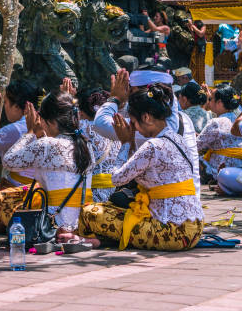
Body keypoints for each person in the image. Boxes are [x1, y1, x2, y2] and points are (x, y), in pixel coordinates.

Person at [78, 84, 204, 251]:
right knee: (112, 208)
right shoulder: (177, 138)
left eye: (133, 121)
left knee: (89, 213)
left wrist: (125, 144)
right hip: (195, 226)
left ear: (146, 117)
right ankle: (106, 240)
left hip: (174, 232)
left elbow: (116, 178)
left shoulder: (152, 146)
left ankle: (96, 240)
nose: (133, 128)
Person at [2, 91, 96, 244]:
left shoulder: (47, 144)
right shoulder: (85, 145)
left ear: (49, 122)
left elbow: (8, 161)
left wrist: (31, 132)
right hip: (82, 223)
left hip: (52, 225)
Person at [94, 69, 201, 197]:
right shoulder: (182, 120)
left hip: (164, 212)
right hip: (191, 203)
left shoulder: (153, 142)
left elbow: (116, 178)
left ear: (145, 117)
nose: (128, 96)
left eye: (132, 91)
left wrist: (115, 98)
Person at [0, 79, 41, 187]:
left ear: (18, 107)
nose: (4, 107)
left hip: (16, 193)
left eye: (5, 102)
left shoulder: (16, 129)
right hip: (37, 192)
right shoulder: (44, 123)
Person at [75, 85, 121, 202]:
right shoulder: (117, 126)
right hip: (117, 192)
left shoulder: (84, 127)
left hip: (93, 193)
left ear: (81, 111)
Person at [197, 84, 242, 180]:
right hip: (240, 168)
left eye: (210, 99)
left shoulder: (216, 122)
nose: (208, 101)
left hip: (222, 170)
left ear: (219, 103)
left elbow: (197, 145)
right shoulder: (237, 118)